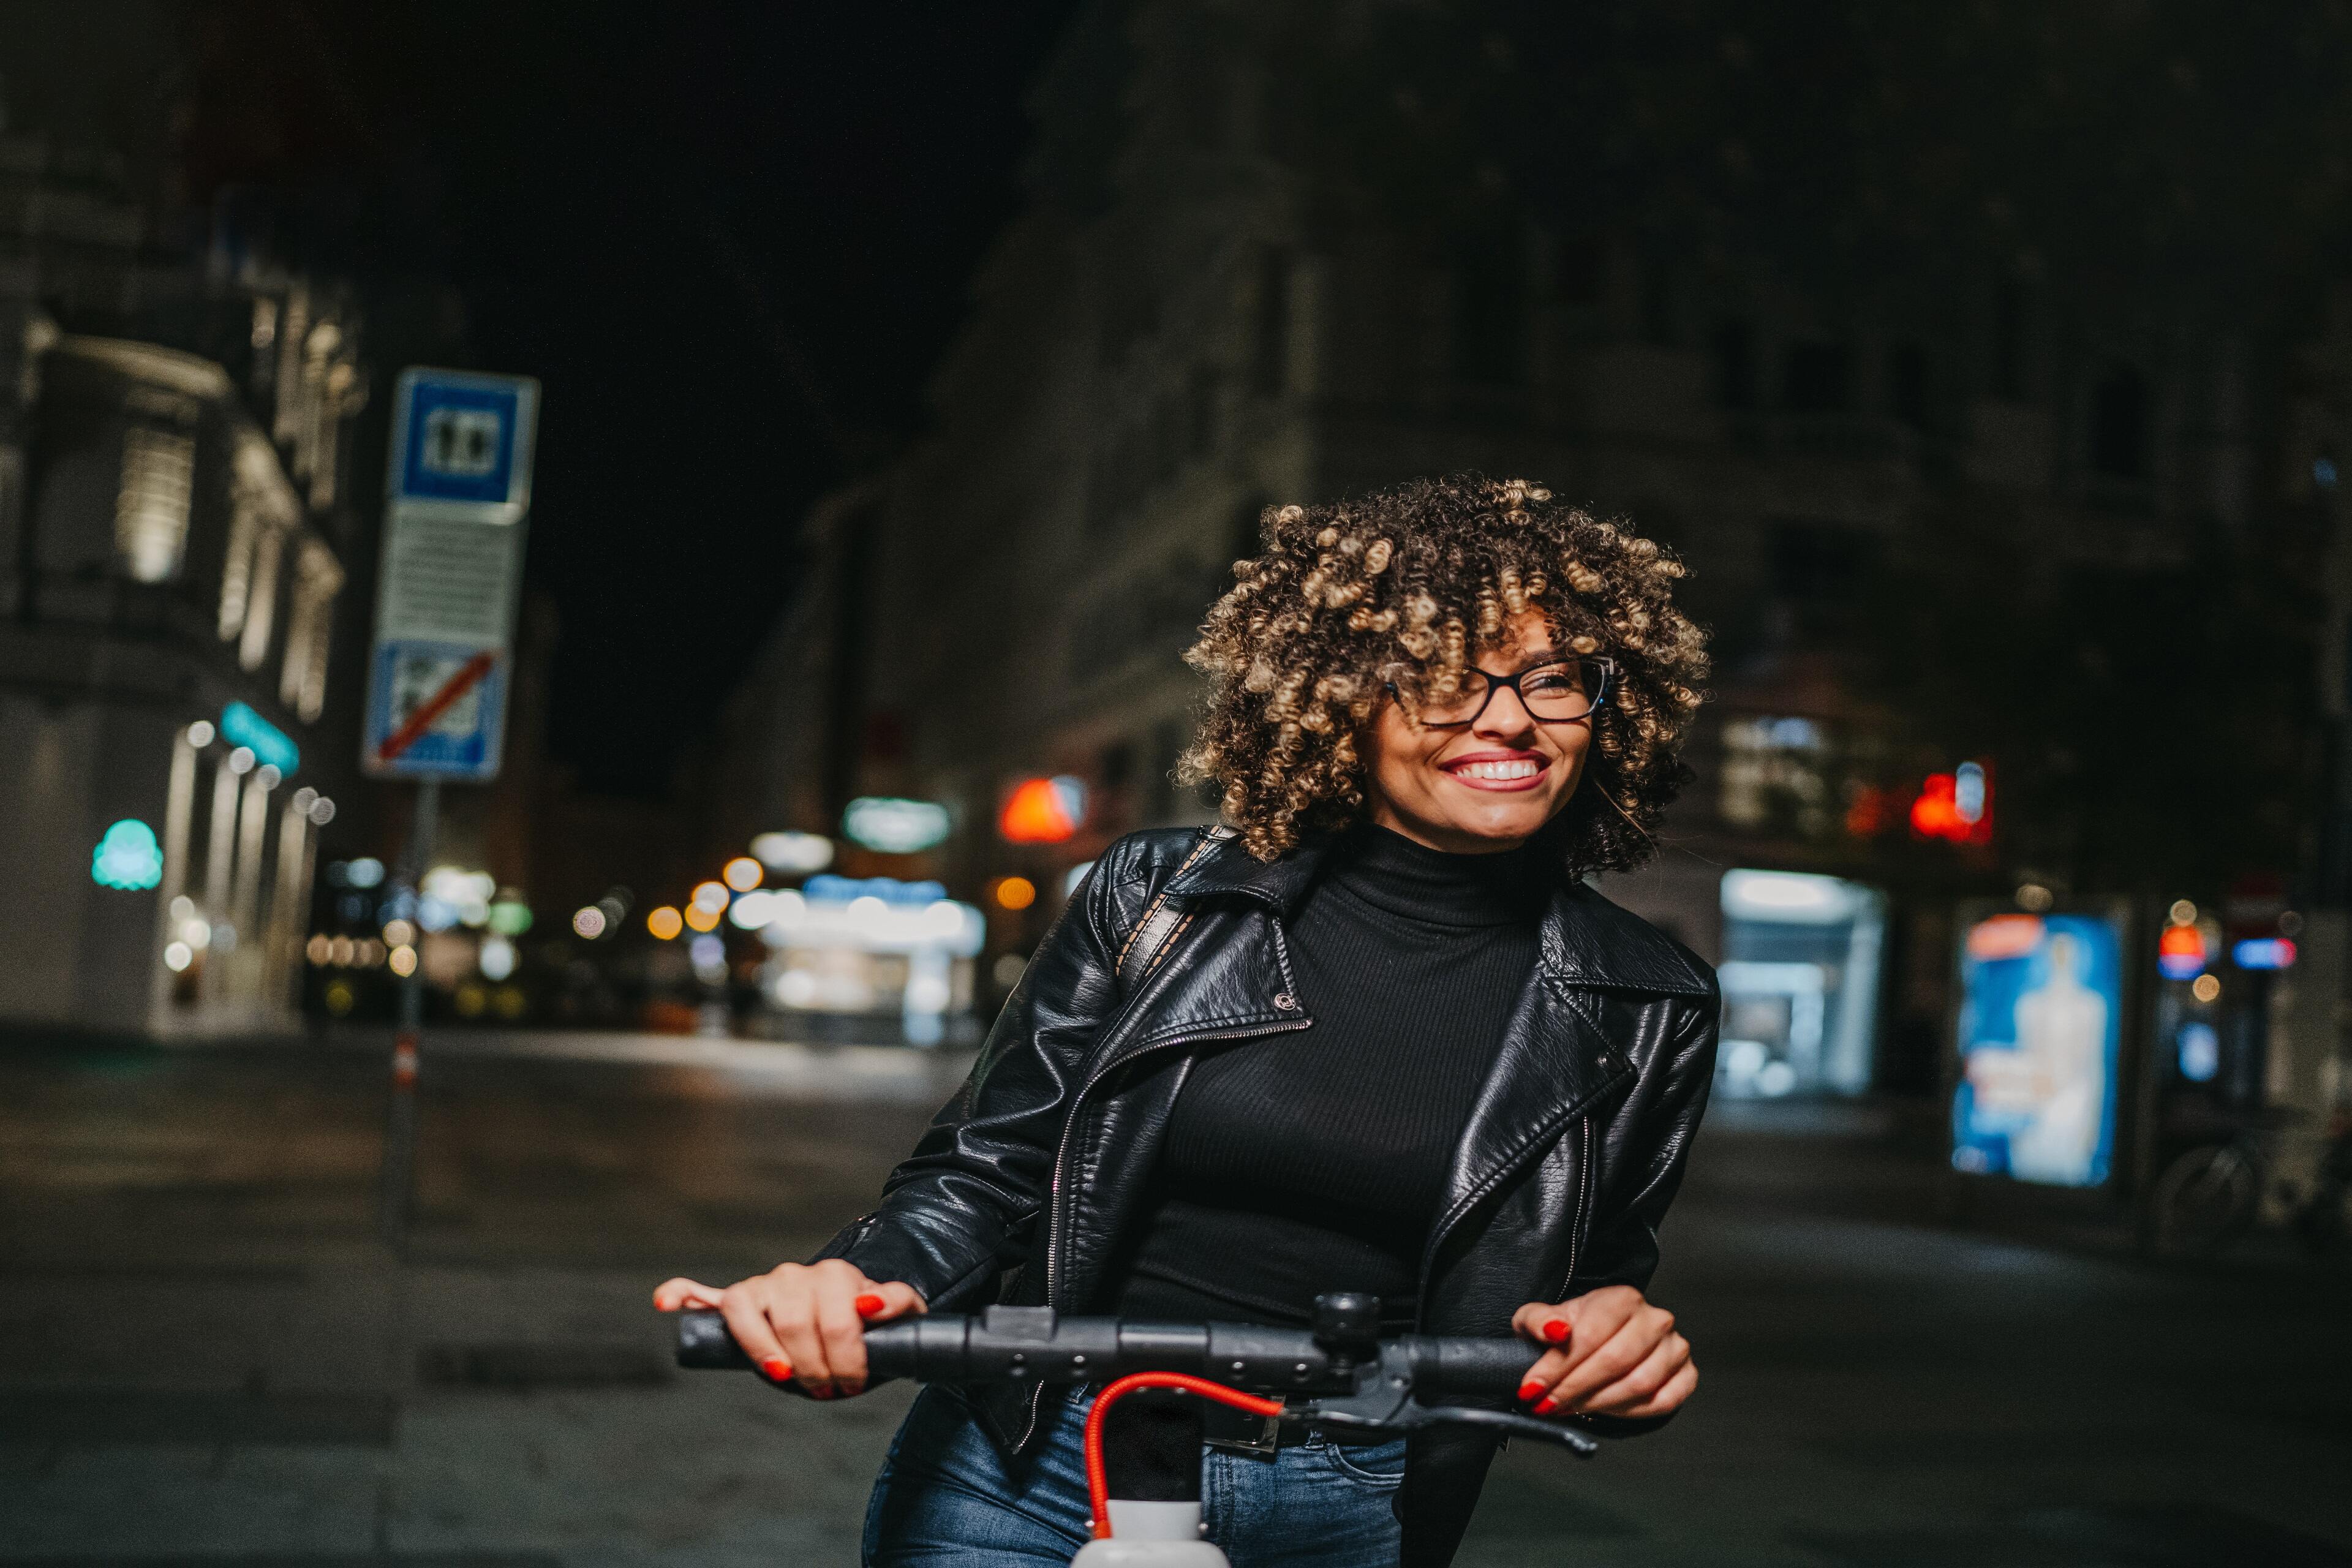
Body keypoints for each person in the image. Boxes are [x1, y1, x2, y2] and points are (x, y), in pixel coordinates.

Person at [657, 474, 1721, 1567]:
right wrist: (861, 1278)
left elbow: (1588, 1283)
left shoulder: (1652, 1000)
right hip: (1044, 1456)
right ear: (1343, 700)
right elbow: (986, 1173)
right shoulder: (1157, 898)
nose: (1510, 716)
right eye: (1444, 678)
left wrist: (1614, 1347)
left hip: (1358, 1496)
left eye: (1554, 680)